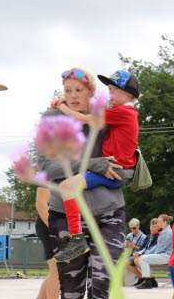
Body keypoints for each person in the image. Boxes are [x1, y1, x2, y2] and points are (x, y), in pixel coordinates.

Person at [37, 66, 132, 299]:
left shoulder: (109, 118)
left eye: (79, 90)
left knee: (103, 283)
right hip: (65, 214)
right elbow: (49, 168)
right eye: (67, 89)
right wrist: (94, 165)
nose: (72, 96)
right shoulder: (52, 119)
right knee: (72, 287)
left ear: (92, 92)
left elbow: (128, 168)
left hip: (109, 213)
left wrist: (105, 168)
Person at [51, 70, 140, 262]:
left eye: (114, 90)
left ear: (129, 95)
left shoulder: (123, 111)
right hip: (117, 168)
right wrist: (66, 98)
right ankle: (78, 237)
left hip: (117, 170)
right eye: (108, 89)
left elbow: (87, 118)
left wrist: (63, 107)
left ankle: (76, 240)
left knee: (66, 186)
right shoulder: (120, 110)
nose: (109, 94)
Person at [23, 187, 61, 299]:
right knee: (57, 271)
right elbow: (41, 204)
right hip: (49, 226)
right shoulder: (48, 172)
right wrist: (54, 228)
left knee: (55, 272)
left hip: (59, 226)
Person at [134, 214, 173, 289]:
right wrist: (146, 254)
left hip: (166, 256)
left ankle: (147, 282)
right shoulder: (164, 231)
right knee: (142, 258)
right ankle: (150, 281)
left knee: (143, 259)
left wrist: (145, 256)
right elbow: (157, 246)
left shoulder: (167, 233)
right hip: (163, 254)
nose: (158, 224)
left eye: (159, 222)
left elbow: (160, 249)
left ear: (164, 223)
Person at [127, 218, 160, 286]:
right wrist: (137, 253)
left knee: (138, 260)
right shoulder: (148, 237)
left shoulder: (158, 237)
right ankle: (147, 278)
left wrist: (138, 253)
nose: (152, 228)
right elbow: (143, 248)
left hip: (148, 255)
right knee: (126, 262)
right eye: (151, 226)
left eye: (154, 227)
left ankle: (148, 279)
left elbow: (152, 249)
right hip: (139, 254)